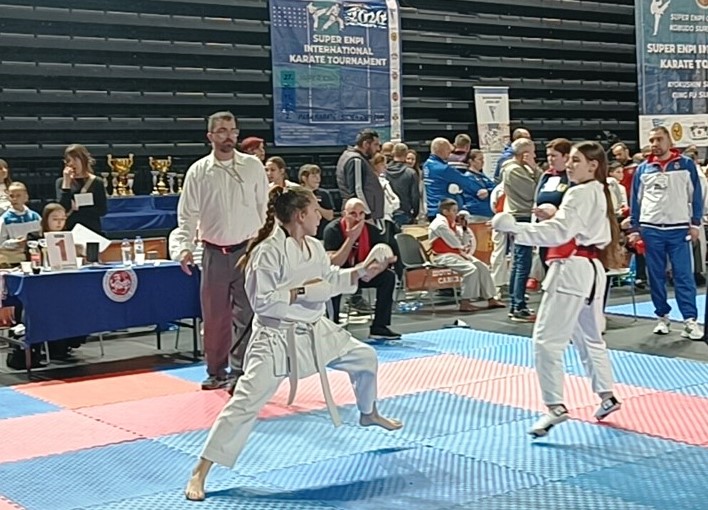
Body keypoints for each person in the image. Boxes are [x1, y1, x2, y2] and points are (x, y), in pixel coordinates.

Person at [184, 186, 402, 501]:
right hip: (275, 337)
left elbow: (329, 280)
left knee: (365, 358)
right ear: (300, 215)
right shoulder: (266, 252)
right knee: (244, 404)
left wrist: (362, 271)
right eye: (315, 210)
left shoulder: (313, 246)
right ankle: (200, 471)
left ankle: (369, 412)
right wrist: (302, 292)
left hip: (314, 329)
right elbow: (262, 303)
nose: (320, 216)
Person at [491, 141, 623, 437]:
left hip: (571, 270)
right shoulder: (599, 190)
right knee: (590, 338)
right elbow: (569, 226)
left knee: (546, 341)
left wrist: (515, 228)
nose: (570, 165)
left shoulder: (579, 192)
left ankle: (555, 406)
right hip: (591, 270)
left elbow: (559, 232)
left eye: (577, 160)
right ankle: (607, 396)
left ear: (593, 165)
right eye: (570, 160)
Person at [174, 111, 269, 390]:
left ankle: (241, 370)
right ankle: (216, 371)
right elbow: (187, 214)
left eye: (233, 130)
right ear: (210, 136)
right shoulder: (199, 171)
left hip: (247, 250)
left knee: (247, 314)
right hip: (213, 251)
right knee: (215, 316)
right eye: (222, 131)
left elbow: (264, 208)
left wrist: (267, 245)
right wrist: (184, 247)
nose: (229, 136)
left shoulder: (252, 166)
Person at [629, 126, 704, 340]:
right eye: (652, 140)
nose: (655, 144)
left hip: (678, 229)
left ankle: (690, 320)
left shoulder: (686, 165)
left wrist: (695, 223)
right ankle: (662, 317)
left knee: (684, 275)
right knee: (656, 276)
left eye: (659, 139)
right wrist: (635, 228)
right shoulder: (643, 169)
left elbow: (696, 195)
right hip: (651, 229)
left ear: (669, 141)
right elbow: (635, 200)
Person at [323, 198, 402, 340]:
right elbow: (335, 262)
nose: (358, 218)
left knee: (388, 277)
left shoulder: (371, 230)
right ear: (344, 214)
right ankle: (332, 326)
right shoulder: (333, 230)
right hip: (341, 274)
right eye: (353, 214)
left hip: (364, 273)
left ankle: (379, 327)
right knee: (332, 281)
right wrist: (351, 239)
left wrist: (376, 269)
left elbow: (389, 257)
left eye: (361, 214)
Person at [429, 199, 505, 312]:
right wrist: (461, 243)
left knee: (482, 267)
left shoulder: (452, 224)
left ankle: (491, 299)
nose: (456, 213)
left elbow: (463, 242)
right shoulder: (440, 225)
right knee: (471, 270)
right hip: (442, 256)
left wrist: (464, 228)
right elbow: (455, 243)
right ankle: (465, 302)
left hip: (456, 254)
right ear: (445, 212)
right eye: (454, 211)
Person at [56, 144, 108, 234]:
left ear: (84, 160)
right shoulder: (61, 182)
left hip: (91, 229)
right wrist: (66, 184)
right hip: (70, 229)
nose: (71, 163)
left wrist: (79, 208)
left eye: (75, 159)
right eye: (68, 160)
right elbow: (62, 208)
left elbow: (102, 210)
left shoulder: (96, 182)